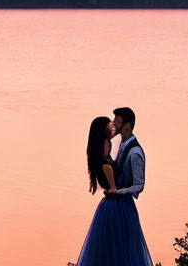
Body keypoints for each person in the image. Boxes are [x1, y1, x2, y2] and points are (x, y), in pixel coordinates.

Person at [75, 108, 154, 266]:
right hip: (117, 208)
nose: (114, 127)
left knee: (117, 250)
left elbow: (139, 185)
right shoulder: (111, 156)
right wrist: (117, 191)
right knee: (116, 250)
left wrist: (118, 191)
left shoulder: (131, 152)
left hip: (117, 206)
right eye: (111, 124)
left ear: (127, 125)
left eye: (117, 122)